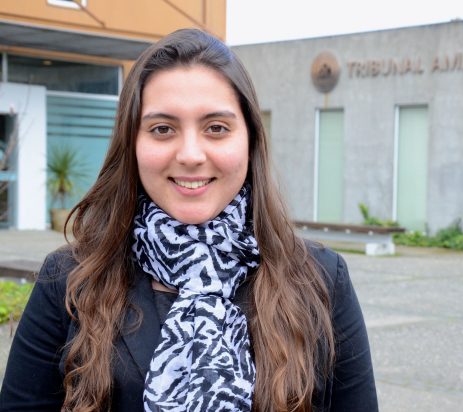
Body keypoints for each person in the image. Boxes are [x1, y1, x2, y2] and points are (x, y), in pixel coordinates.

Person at [0, 29, 377, 412]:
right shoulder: (69, 280)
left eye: (216, 128)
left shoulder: (320, 280)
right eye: (163, 129)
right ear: (132, 143)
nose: (191, 154)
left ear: (250, 140)